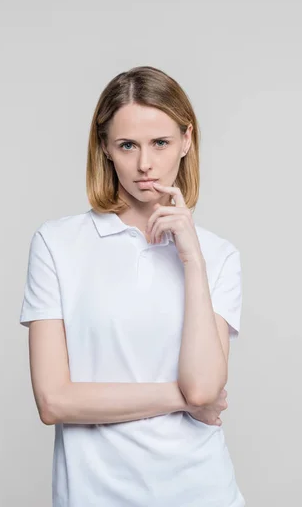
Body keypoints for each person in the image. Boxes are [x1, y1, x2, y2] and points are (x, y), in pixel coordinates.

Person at [20, 65, 246, 507]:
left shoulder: (217, 256)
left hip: (203, 492)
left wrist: (192, 259)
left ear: (186, 140)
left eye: (160, 142)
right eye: (128, 145)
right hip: (96, 496)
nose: (145, 164)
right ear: (104, 147)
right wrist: (178, 399)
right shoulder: (58, 244)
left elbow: (204, 389)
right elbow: (53, 400)